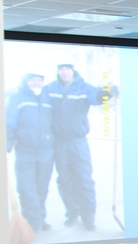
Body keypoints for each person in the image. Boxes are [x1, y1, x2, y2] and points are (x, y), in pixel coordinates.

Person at [45, 63, 114, 231]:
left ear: (72, 71)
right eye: (61, 69)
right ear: (58, 71)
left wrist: (108, 92)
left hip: (78, 142)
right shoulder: (50, 88)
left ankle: (88, 217)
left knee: (84, 180)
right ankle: (72, 213)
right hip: (59, 142)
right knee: (65, 180)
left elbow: (97, 97)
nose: (65, 72)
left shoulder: (83, 87)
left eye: (67, 69)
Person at [5, 73, 54, 234]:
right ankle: (32, 222)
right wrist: (7, 145)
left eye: (40, 80)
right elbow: (9, 122)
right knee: (26, 189)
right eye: (33, 80)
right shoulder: (17, 98)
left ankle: (39, 218)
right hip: (25, 151)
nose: (37, 83)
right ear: (26, 81)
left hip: (46, 151)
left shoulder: (48, 98)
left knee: (41, 189)